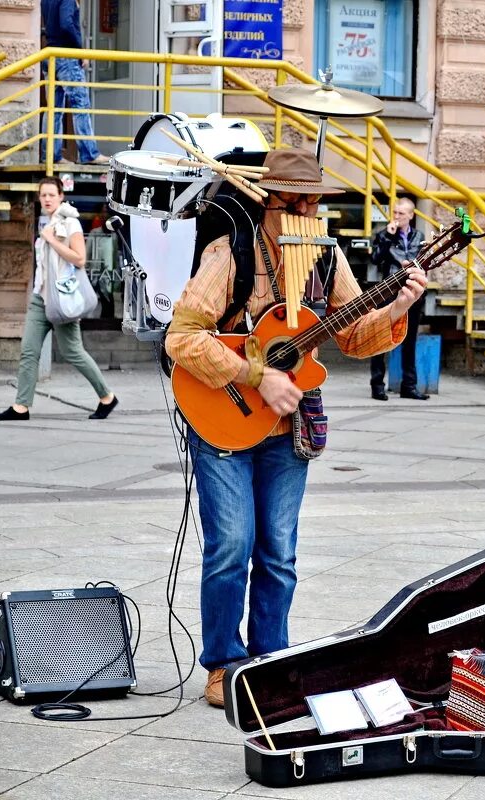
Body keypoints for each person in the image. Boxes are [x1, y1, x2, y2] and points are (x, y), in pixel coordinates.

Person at [164, 149, 426, 707]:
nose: (310, 213)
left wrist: (398, 307)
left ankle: (272, 660)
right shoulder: (229, 252)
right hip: (223, 416)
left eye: (315, 202)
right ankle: (224, 663)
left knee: (279, 551)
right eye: (296, 203)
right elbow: (182, 337)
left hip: (289, 428)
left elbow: (354, 336)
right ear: (268, 204)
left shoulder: (326, 258)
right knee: (232, 545)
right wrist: (255, 375)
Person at [0, 177, 118, 421]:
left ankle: (107, 396)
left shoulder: (70, 223)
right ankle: (21, 406)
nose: (47, 199)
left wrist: (50, 240)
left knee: (73, 351)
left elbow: (80, 259)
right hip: (40, 298)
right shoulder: (47, 222)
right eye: (43, 195)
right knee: (29, 351)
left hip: (62, 299)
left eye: (52, 194)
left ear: (61, 196)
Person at [369, 197, 429, 400]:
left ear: (411, 216)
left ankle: (409, 386)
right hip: (388, 293)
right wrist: (387, 236)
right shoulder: (384, 235)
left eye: (401, 213)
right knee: (381, 338)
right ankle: (377, 385)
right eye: (394, 213)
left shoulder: (419, 236)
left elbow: (422, 263)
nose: (396, 217)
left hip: (411, 293)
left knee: (410, 340)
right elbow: (376, 259)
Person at [40, 0, 110, 166]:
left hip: (51, 55)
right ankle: (89, 154)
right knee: (80, 104)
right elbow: (66, 24)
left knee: (53, 109)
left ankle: (51, 156)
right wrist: (80, 50)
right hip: (67, 57)